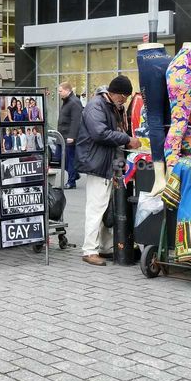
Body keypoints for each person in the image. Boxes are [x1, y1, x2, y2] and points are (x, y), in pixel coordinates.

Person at [74, 75, 141, 267]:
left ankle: (103, 247)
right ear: (116, 94)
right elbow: (99, 133)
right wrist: (127, 139)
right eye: (124, 96)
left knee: (104, 209)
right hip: (98, 163)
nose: (125, 100)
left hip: (105, 162)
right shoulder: (96, 105)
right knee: (96, 208)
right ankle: (89, 250)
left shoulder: (110, 105)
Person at [57, 83, 83, 189]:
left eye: (60, 91)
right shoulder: (67, 101)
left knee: (70, 159)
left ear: (67, 90)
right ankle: (75, 174)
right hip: (61, 136)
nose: (59, 93)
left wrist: (72, 136)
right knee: (59, 157)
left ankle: (71, 182)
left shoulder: (74, 102)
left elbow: (76, 120)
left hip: (69, 137)